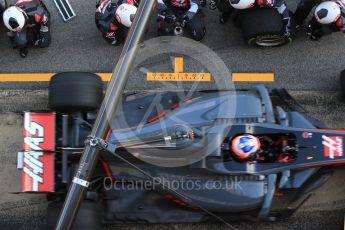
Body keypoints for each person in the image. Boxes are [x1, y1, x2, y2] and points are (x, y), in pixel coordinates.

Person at [211, 0, 292, 37]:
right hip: (238, 5)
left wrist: (287, 25)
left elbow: (281, 4)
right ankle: (227, 12)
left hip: (255, 6)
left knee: (238, 21)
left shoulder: (265, 1)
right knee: (222, 7)